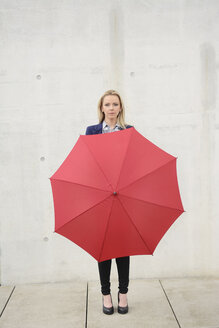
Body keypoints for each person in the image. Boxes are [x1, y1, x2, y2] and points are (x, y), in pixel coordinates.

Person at [85, 89, 134, 315]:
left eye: (115, 104)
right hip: (100, 196)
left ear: (120, 107)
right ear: (102, 108)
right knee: (103, 248)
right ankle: (106, 294)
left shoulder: (129, 131)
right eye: (108, 104)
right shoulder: (92, 131)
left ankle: (122, 293)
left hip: (122, 196)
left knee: (123, 247)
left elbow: (133, 163)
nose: (112, 108)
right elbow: (88, 163)